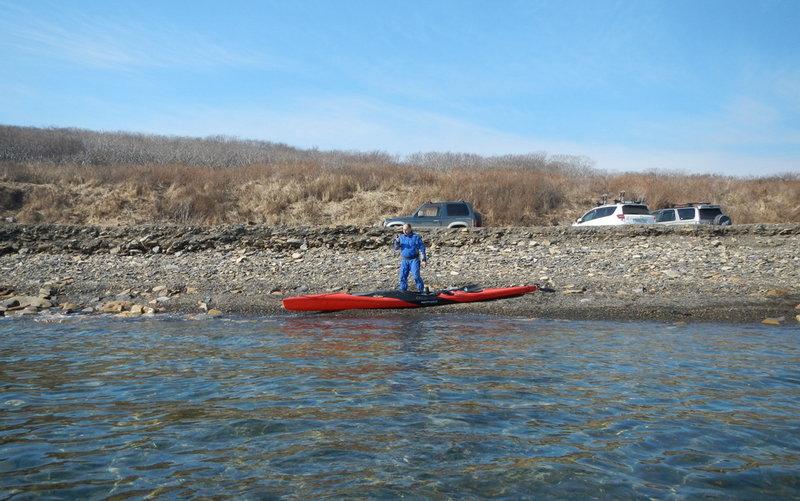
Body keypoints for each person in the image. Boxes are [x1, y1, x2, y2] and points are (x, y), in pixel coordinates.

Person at [393, 223, 427, 292]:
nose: (405, 231)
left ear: (410, 229)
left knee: (416, 276)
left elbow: (422, 248)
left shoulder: (416, 237)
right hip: (404, 260)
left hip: (414, 260)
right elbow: (396, 248)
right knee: (402, 277)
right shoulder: (401, 237)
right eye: (403, 229)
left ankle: (421, 291)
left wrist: (423, 260)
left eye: (406, 229)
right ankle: (403, 291)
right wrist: (397, 242)